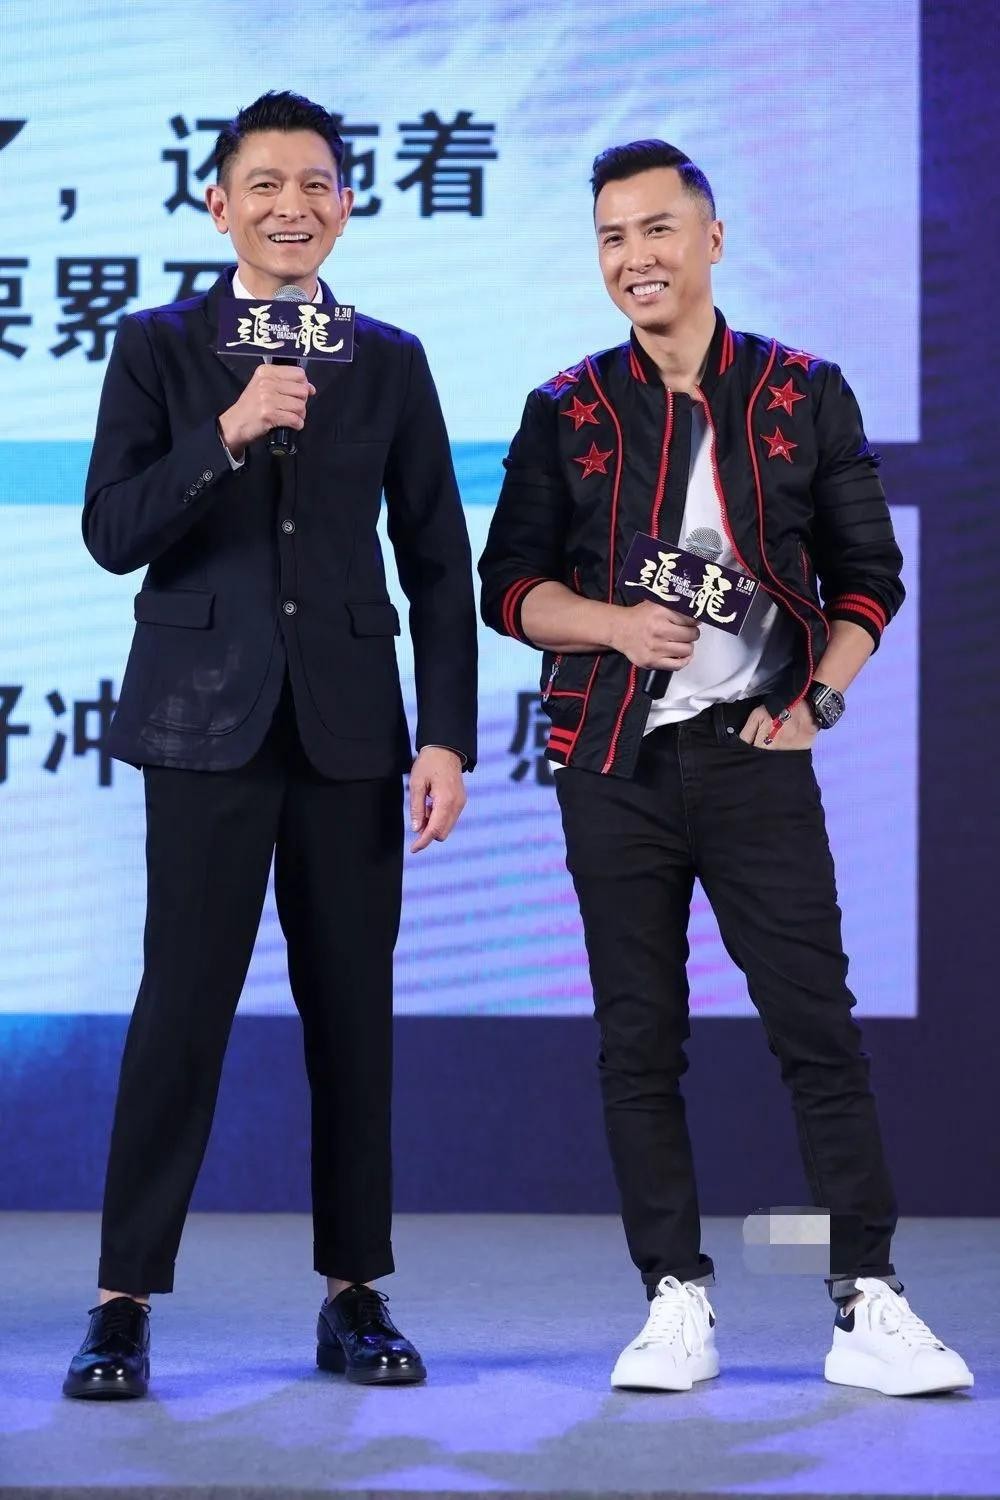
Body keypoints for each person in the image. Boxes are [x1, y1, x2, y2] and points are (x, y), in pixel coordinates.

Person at [479, 139, 972, 1397]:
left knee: (816, 1030)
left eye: (655, 229)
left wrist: (816, 701)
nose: (633, 257)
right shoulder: (565, 408)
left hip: (755, 755)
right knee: (637, 1040)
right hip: (613, 765)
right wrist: (610, 626)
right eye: (610, 237)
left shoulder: (805, 391)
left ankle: (865, 1301)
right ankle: (673, 1300)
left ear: (710, 237)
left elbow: (869, 577)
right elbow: (508, 586)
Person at [64, 91, 477, 1399]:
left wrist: (447, 737)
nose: (289, 207)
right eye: (264, 185)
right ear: (219, 205)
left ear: (345, 207)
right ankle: (122, 1303)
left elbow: (437, 561)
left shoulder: (390, 359)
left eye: (313, 186)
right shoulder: (157, 347)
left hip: (351, 734)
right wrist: (229, 433)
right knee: (179, 1010)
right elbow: (112, 530)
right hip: (201, 727)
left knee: (352, 1014)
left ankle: (355, 1294)